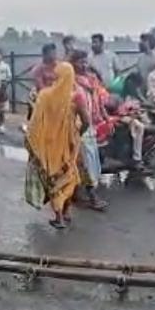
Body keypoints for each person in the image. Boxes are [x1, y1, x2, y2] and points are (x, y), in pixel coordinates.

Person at [25, 62, 85, 229]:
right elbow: (86, 121)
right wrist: (77, 134)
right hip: (68, 145)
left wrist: (31, 141)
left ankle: (59, 217)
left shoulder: (45, 95)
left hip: (49, 145)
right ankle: (66, 212)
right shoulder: (76, 97)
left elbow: (34, 122)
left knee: (54, 178)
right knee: (69, 175)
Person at [70, 51, 109, 210]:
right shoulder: (70, 81)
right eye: (80, 62)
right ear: (73, 63)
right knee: (86, 161)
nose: (84, 65)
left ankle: (75, 193)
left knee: (88, 160)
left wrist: (104, 117)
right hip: (78, 124)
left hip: (90, 123)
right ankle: (92, 196)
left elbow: (98, 100)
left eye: (85, 62)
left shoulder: (91, 80)